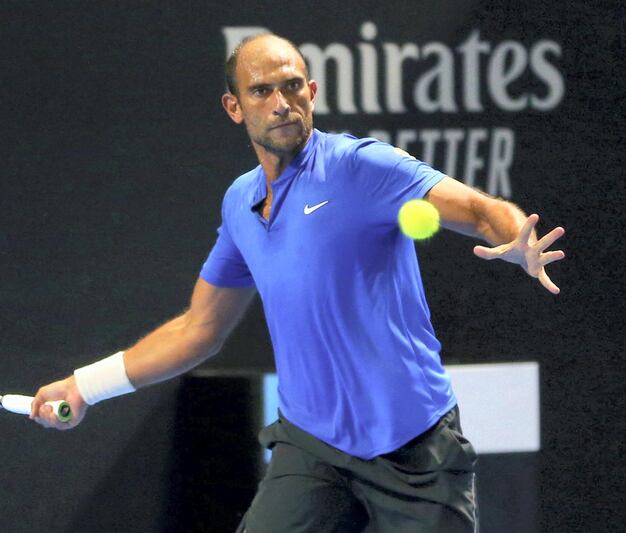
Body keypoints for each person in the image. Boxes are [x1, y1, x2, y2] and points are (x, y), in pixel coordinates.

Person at [30, 33, 565, 532]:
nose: (281, 102)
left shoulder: (361, 168)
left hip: (414, 448)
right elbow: (198, 329)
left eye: (291, 86)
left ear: (311, 92)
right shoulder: (241, 204)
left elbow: (477, 208)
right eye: (261, 91)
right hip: (313, 447)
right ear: (234, 108)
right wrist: (84, 385)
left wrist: (516, 238)